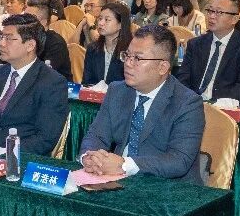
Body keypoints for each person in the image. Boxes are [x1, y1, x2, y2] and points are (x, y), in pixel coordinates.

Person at [78, 25, 204, 182]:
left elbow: (179, 160)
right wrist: (89, 157)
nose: (128, 63)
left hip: (167, 188)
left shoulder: (187, 103)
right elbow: (96, 135)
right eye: (127, 55)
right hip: (116, 181)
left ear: (162, 67)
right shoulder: (117, 90)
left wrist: (125, 165)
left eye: (137, 58)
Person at [0, 13, 70, 156]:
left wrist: (5, 153)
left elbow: (45, 139)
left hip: (21, 157)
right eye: (1, 37)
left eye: (9, 38)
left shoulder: (52, 82)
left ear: (30, 45)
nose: (1, 43)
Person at [175, 0, 240, 105]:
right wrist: (193, 101)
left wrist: (214, 104)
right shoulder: (195, 44)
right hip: (193, 104)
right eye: (210, 11)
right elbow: (183, 79)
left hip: (225, 107)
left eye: (219, 12)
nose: (211, 16)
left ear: (234, 19)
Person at [83, 1, 132, 86]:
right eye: (100, 18)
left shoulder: (130, 51)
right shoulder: (93, 48)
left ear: (121, 24)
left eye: (107, 20)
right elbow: (87, 82)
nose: (101, 23)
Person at [25, 0, 71, 80]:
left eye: (30, 18)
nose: (24, 22)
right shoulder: (23, 38)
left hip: (55, 85)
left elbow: (44, 74)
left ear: (44, 22)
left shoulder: (56, 43)